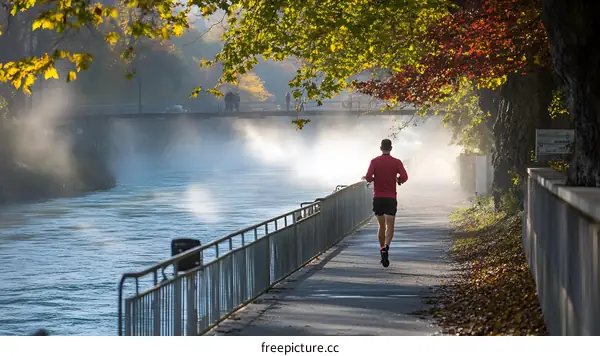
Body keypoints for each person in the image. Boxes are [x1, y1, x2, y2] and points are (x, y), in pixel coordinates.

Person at [362, 138, 408, 267]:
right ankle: (387, 247)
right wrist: (398, 180)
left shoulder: (374, 161)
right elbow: (405, 176)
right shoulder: (396, 162)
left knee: (381, 225)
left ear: (381, 148)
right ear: (391, 148)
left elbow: (369, 177)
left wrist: (372, 178)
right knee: (390, 225)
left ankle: (381, 248)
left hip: (378, 198)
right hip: (391, 198)